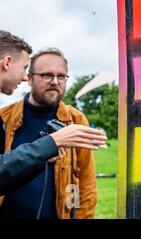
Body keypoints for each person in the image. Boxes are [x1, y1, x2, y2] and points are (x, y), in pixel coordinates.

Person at [0, 31, 106, 196]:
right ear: (29, 78)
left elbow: (85, 184)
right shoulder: (4, 116)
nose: (55, 82)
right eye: (47, 75)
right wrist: (51, 143)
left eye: (61, 76)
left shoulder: (76, 119)